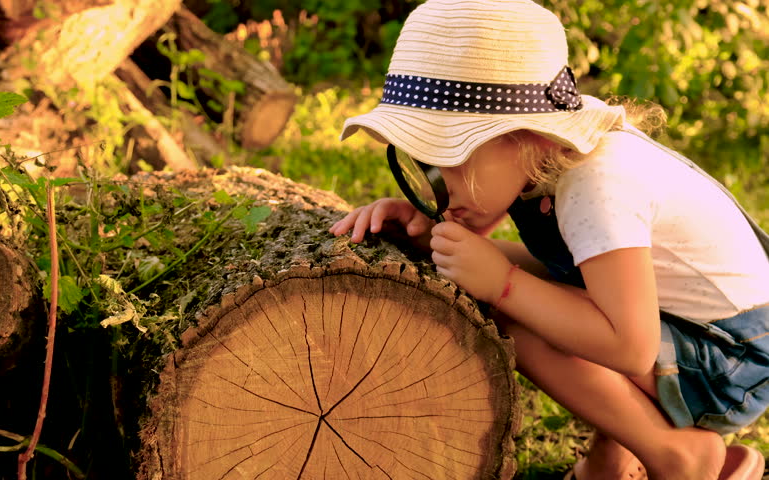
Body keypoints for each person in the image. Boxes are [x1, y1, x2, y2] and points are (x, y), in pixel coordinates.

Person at [328, 0, 769, 479]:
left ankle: (676, 454)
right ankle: (616, 454)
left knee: (513, 311)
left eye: (450, 161)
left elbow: (630, 346)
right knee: (536, 288)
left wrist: (501, 285)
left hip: (733, 358)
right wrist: (429, 234)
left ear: (529, 136)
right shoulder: (541, 164)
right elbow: (568, 276)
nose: (438, 186)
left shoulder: (596, 186)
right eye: (423, 164)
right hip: (687, 322)